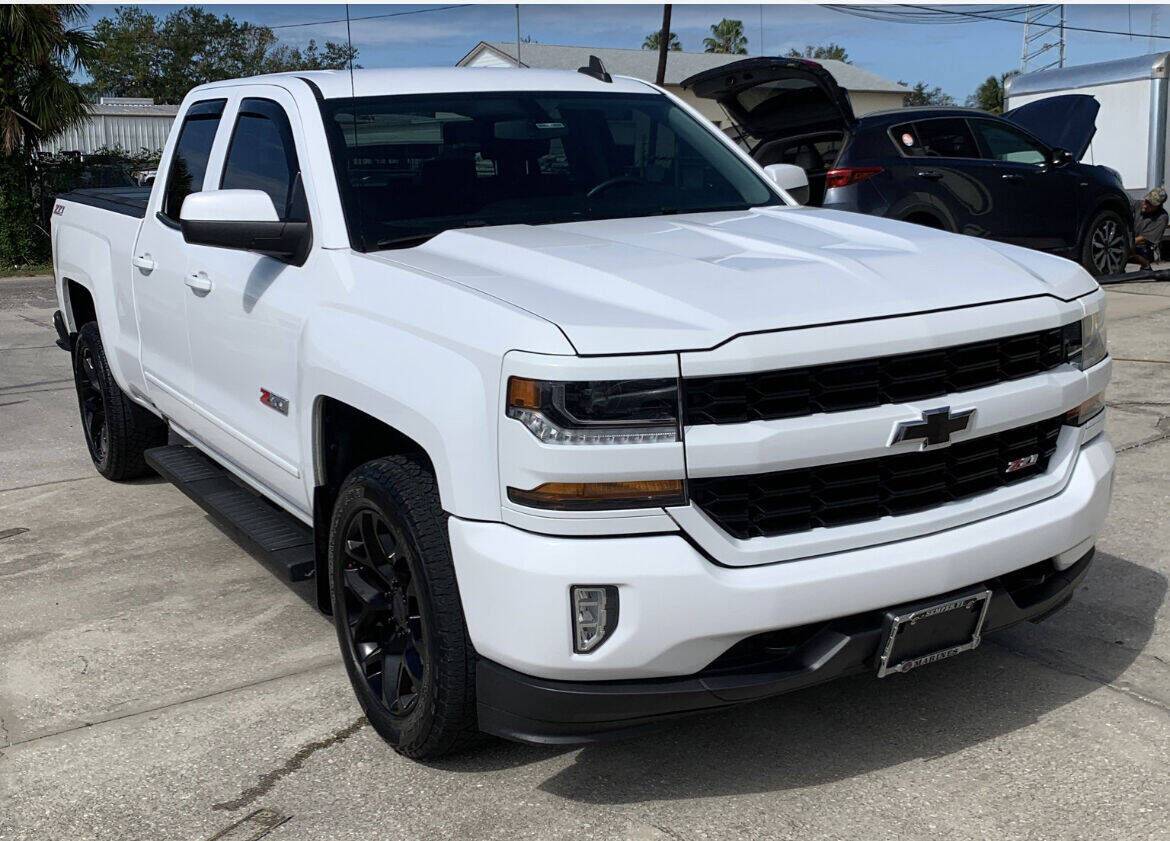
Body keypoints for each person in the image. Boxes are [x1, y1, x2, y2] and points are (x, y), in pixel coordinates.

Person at [1131, 187, 1168, 270]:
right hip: (1131, 240)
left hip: (1144, 246)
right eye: (1146, 201)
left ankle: (1146, 267)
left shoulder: (1162, 217)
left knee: (1141, 249)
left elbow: (1144, 238)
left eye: (1150, 204)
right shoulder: (1137, 204)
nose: (1145, 205)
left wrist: (1127, 245)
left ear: (1158, 206)